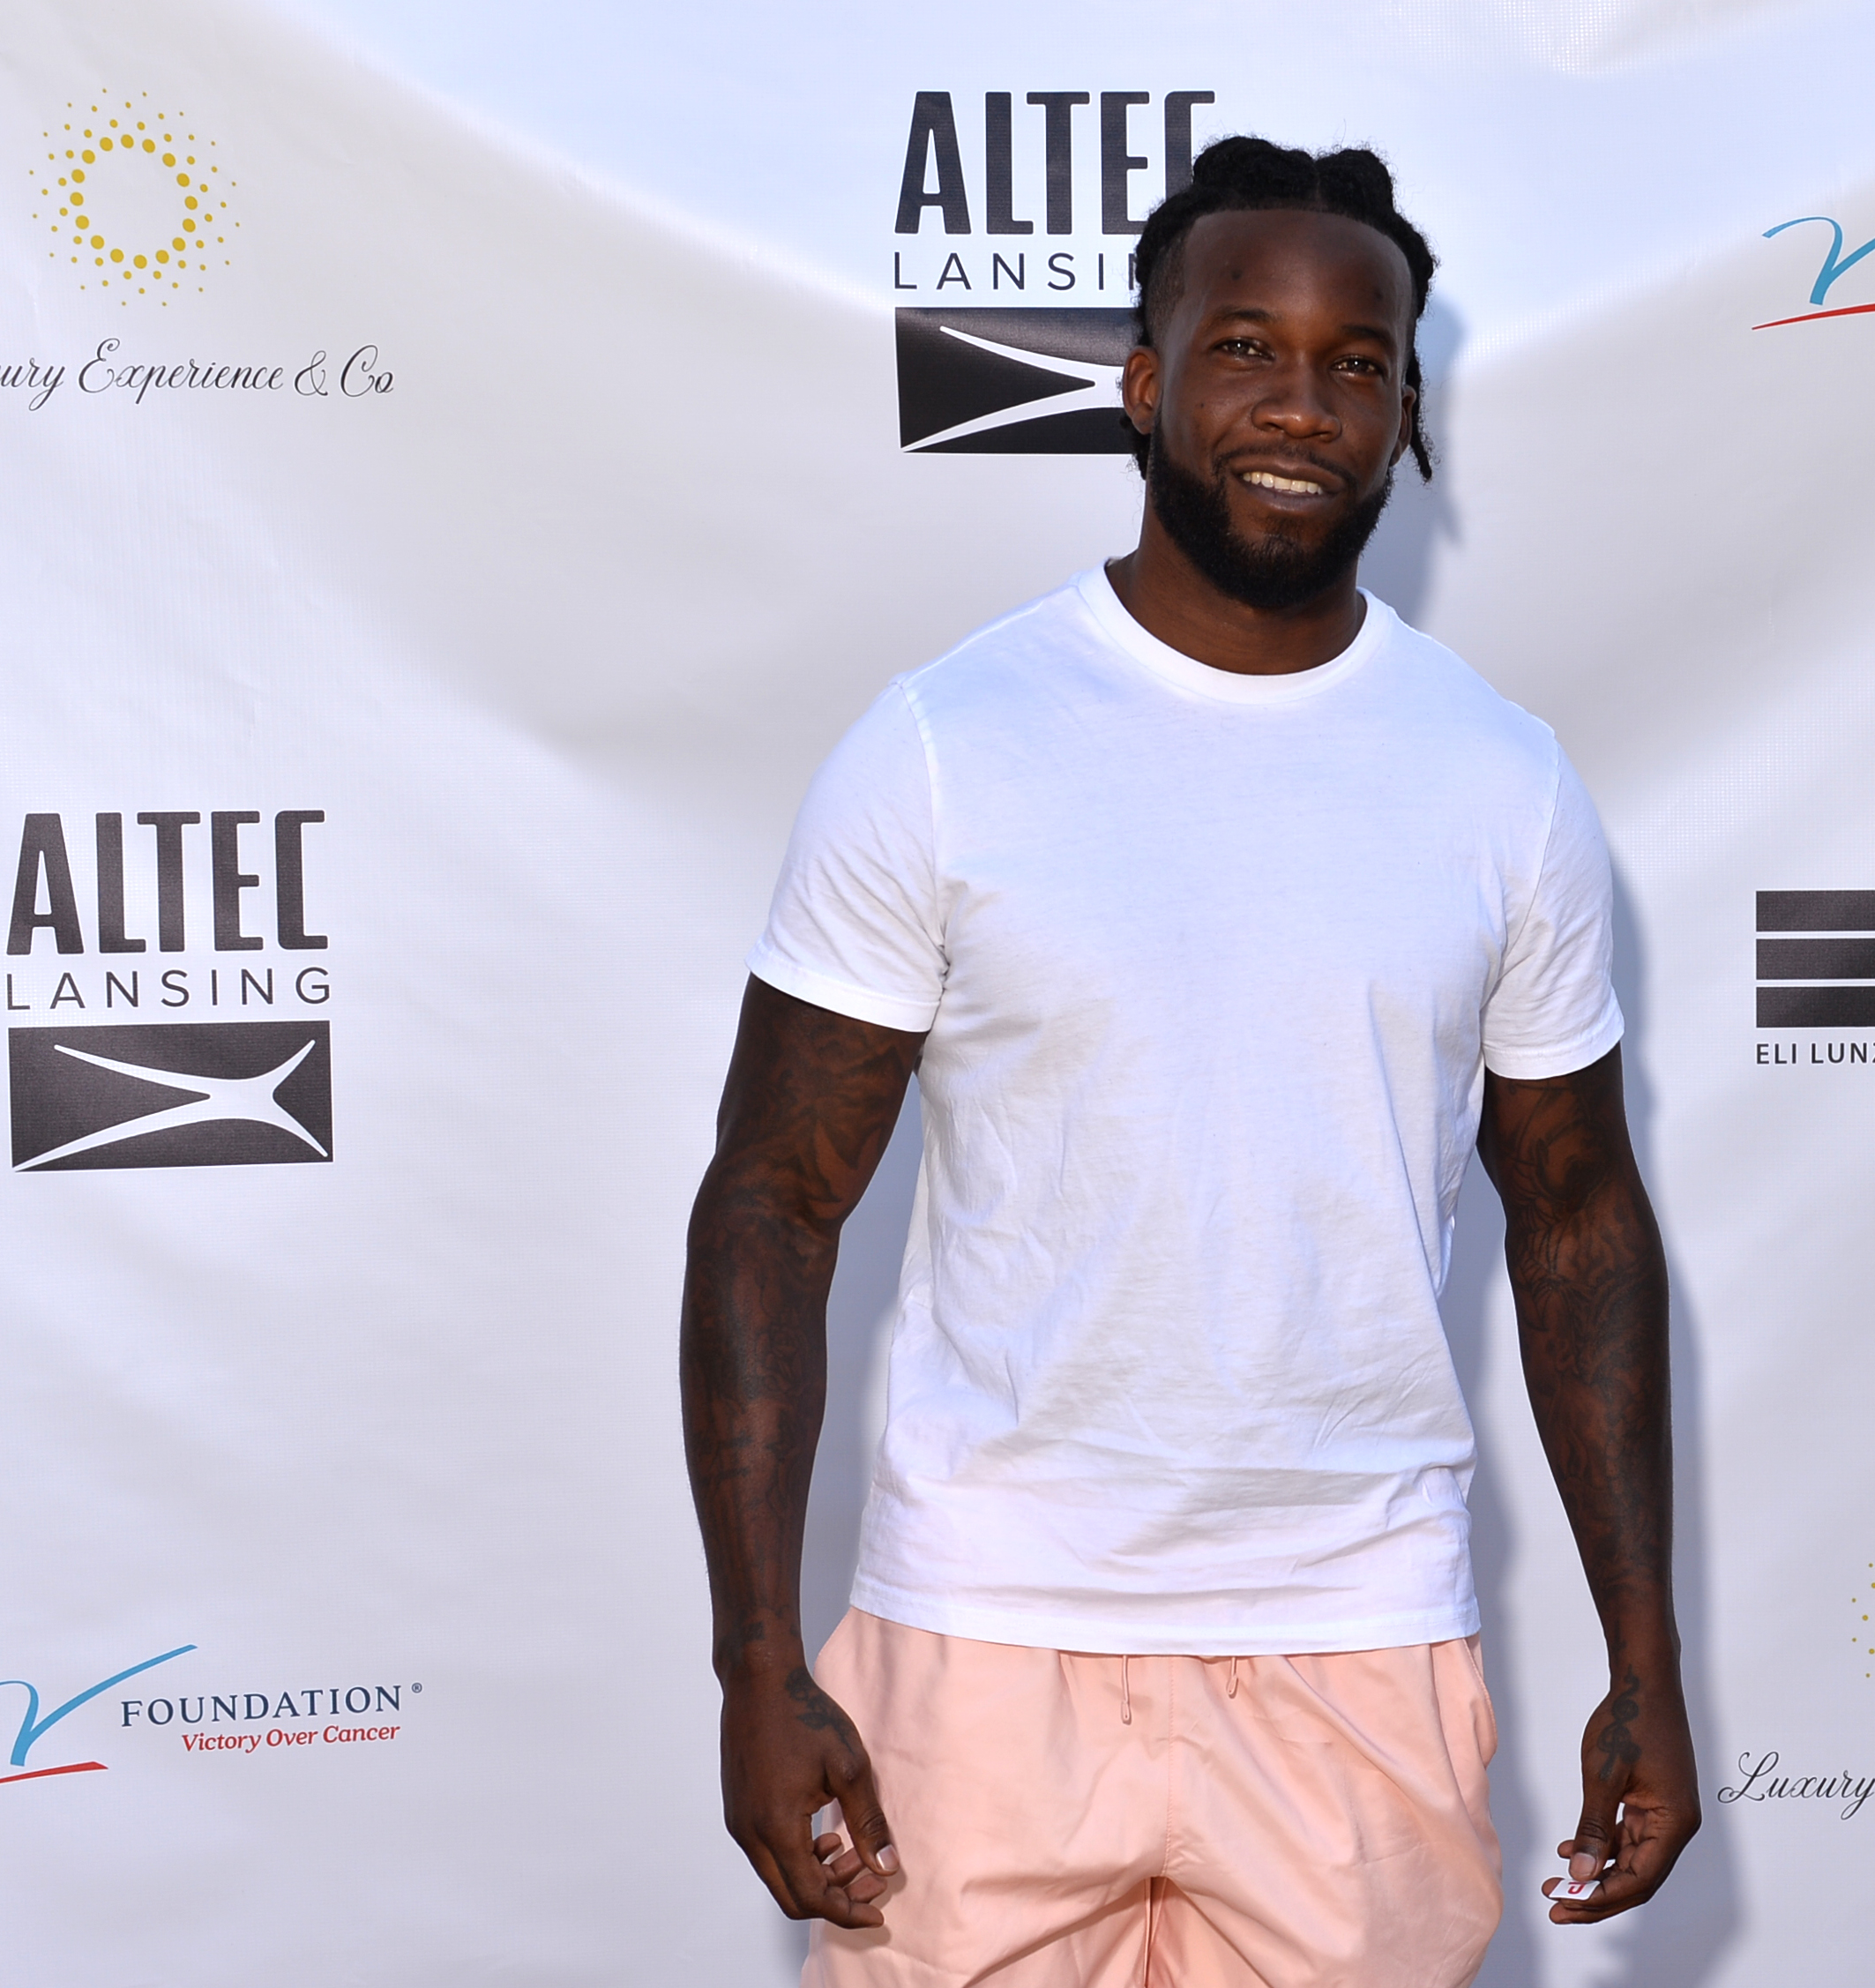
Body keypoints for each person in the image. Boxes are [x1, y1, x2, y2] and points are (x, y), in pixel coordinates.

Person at [681, 136, 1697, 1988]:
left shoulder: (1500, 779)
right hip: (981, 1643)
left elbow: (1575, 1219)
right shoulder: (944, 745)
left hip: (1357, 1643)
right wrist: (763, 1655)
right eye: (1243, 347)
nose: (1300, 403)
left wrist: (1648, 1658)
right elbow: (771, 1197)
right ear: (1144, 385)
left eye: (1358, 359)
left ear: (1411, 415)